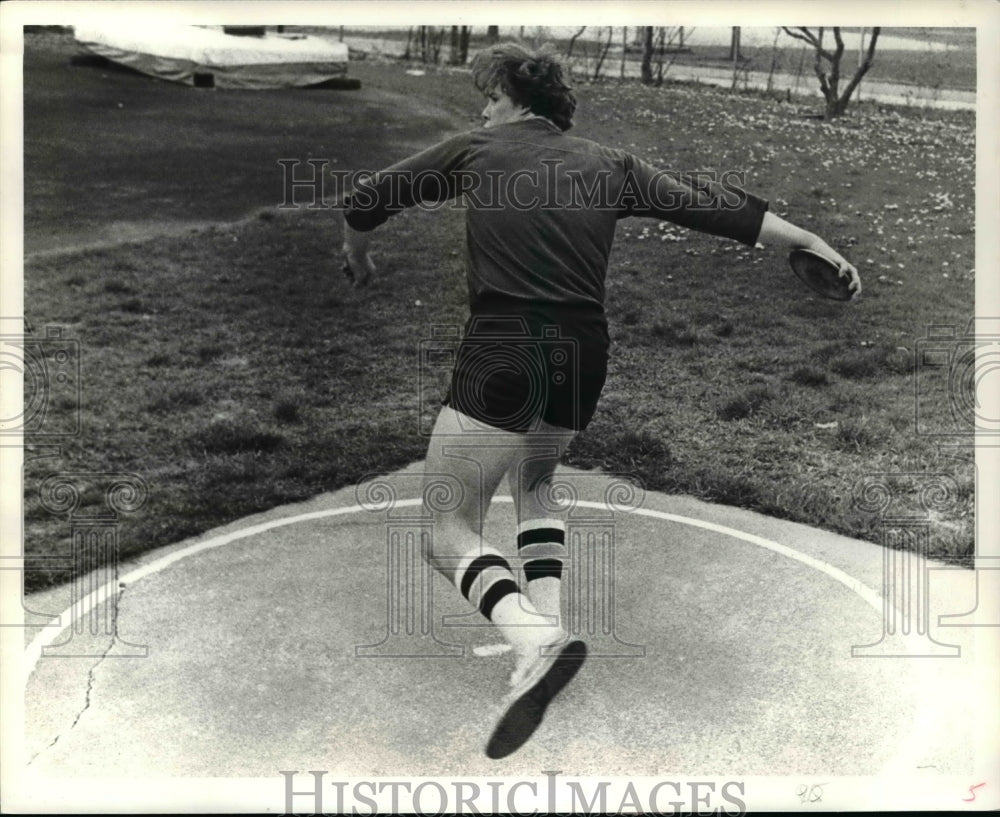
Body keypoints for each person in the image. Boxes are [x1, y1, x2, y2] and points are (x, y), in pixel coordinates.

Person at [340, 43, 860, 759]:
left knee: (446, 531)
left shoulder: (477, 149)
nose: (481, 109)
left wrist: (359, 255)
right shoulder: (610, 164)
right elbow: (713, 208)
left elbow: (366, 200)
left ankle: (533, 637)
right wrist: (810, 239)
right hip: (582, 351)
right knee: (537, 480)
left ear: (514, 99)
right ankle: (546, 631)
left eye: (487, 96)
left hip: (505, 345)